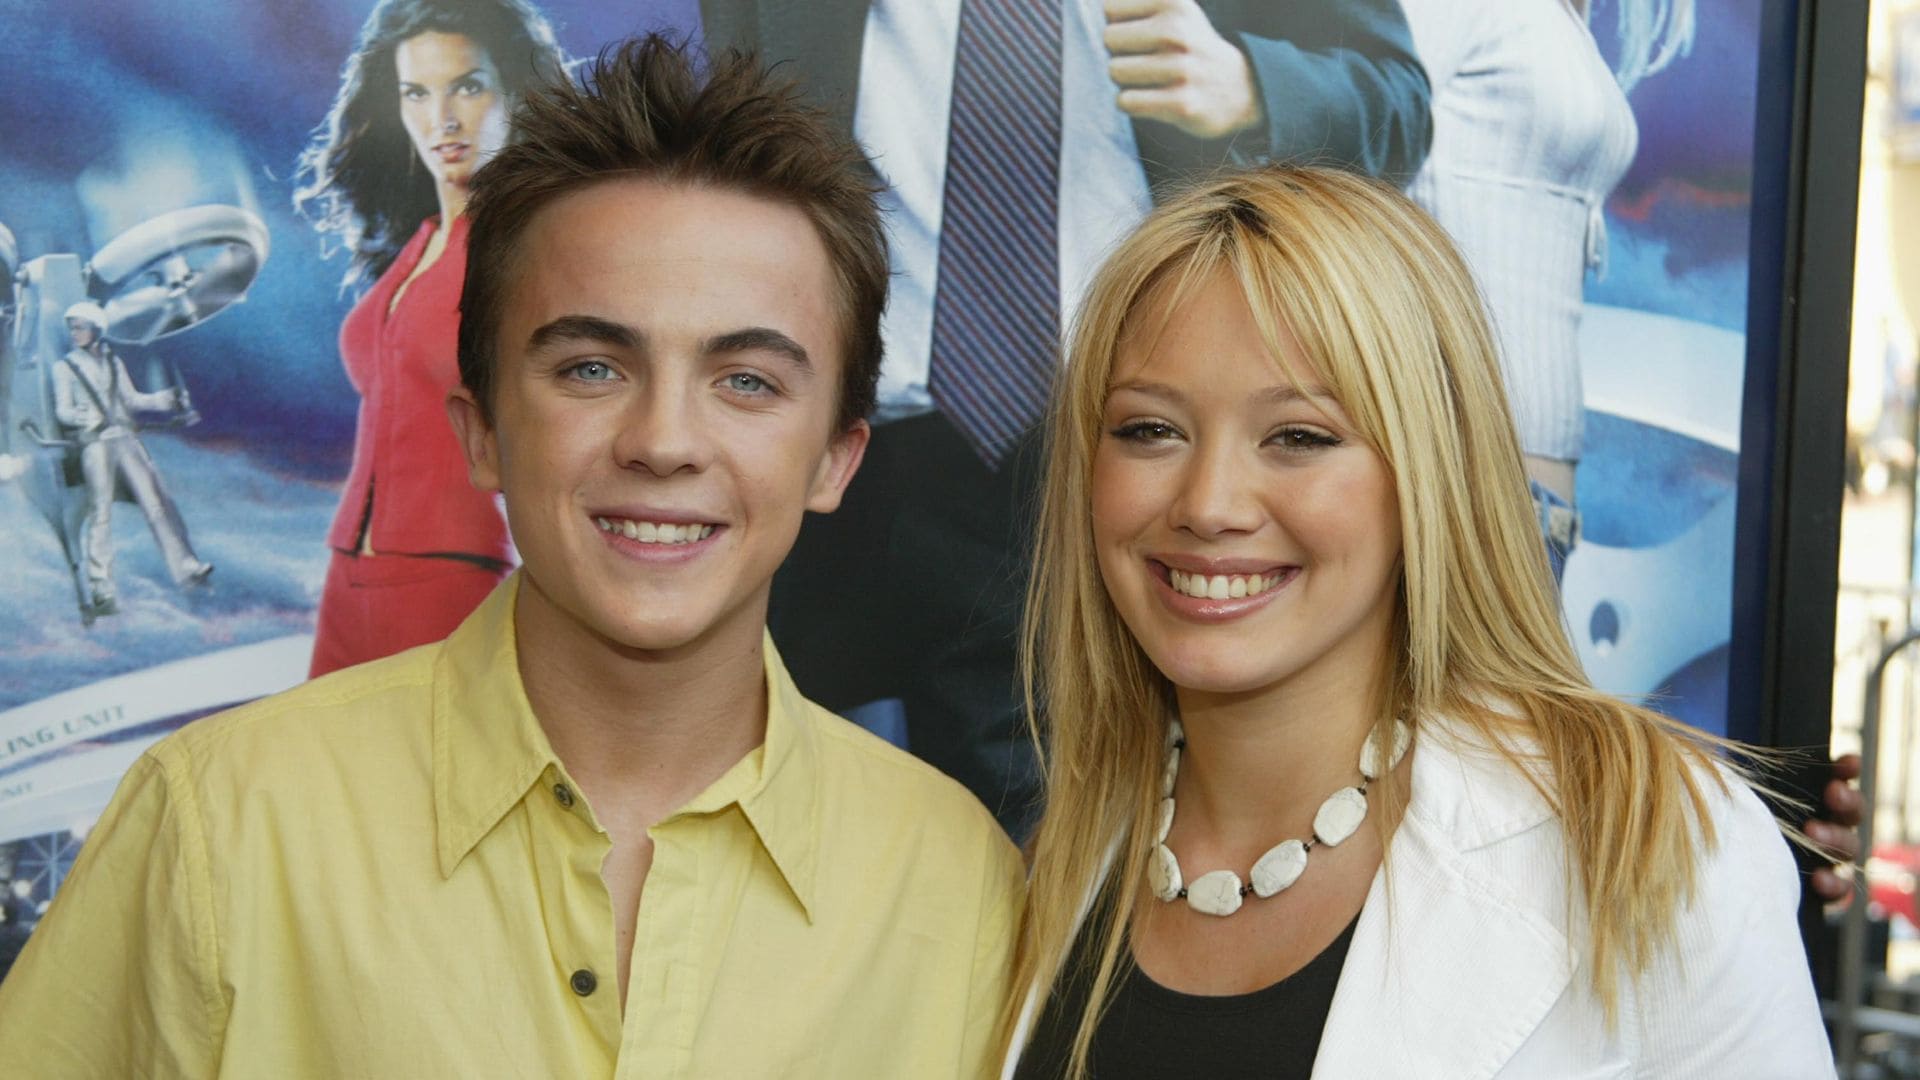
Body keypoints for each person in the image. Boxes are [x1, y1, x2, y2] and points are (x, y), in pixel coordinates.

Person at [0, 37, 1023, 1077]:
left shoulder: (957, 882)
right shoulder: (218, 823)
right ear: (482, 428)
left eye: (748, 381)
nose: (664, 441)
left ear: (836, 460)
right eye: (591, 367)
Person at [1000, 167, 1831, 1077]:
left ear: (1428, 474)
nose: (1209, 504)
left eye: (1300, 437)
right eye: (1150, 430)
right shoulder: (1055, 864)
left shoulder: (1649, 839)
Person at [698, 0, 1434, 836]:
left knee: (1052, 876)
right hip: (825, 455)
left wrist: (1254, 90)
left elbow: (1394, 102)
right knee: (749, 832)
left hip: (1093, 466)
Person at [293, 0, 565, 677]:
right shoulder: (415, 247)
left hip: (452, 576)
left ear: (514, 91)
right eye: (416, 93)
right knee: (326, 777)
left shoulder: (529, 250)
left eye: (468, 86)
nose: (441, 119)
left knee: (432, 778)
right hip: (349, 570)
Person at [51, 301, 212, 618]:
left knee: (156, 504)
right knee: (100, 515)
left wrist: (166, 398)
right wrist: (82, 419)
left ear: (96, 329)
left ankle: (186, 568)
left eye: (80, 327)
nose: (75, 333)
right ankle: (102, 588)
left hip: (125, 440)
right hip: (95, 445)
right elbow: (62, 411)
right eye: (72, 327)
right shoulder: (64, 368)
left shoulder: (113, 361)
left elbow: (132, 399)